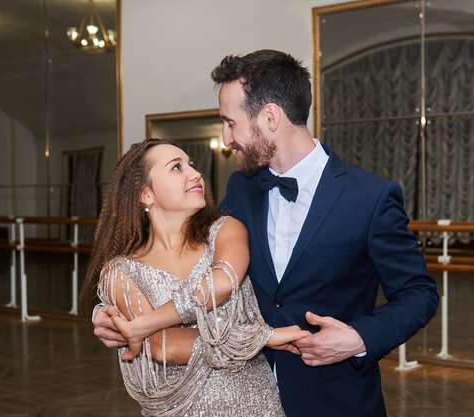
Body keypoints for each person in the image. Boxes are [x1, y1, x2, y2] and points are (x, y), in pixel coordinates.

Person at [93, 50, 439, 417]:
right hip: (237, 394)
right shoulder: (241, 189)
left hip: (334, 400)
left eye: (231, 122)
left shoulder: (370, 197)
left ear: (270, 117)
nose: (227, 139)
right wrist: (111, 310)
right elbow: (187, 259)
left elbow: (419, 294)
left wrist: (358, 339)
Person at [80, 138, 308, 417]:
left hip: (254, 402)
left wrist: (143, 324)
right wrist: (260, 339)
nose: (195, 173)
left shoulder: (226, 230)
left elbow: (222, 282)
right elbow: (163, 347)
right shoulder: (120, 272)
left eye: (191, 164)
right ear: (145, 194)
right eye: (176, 167)